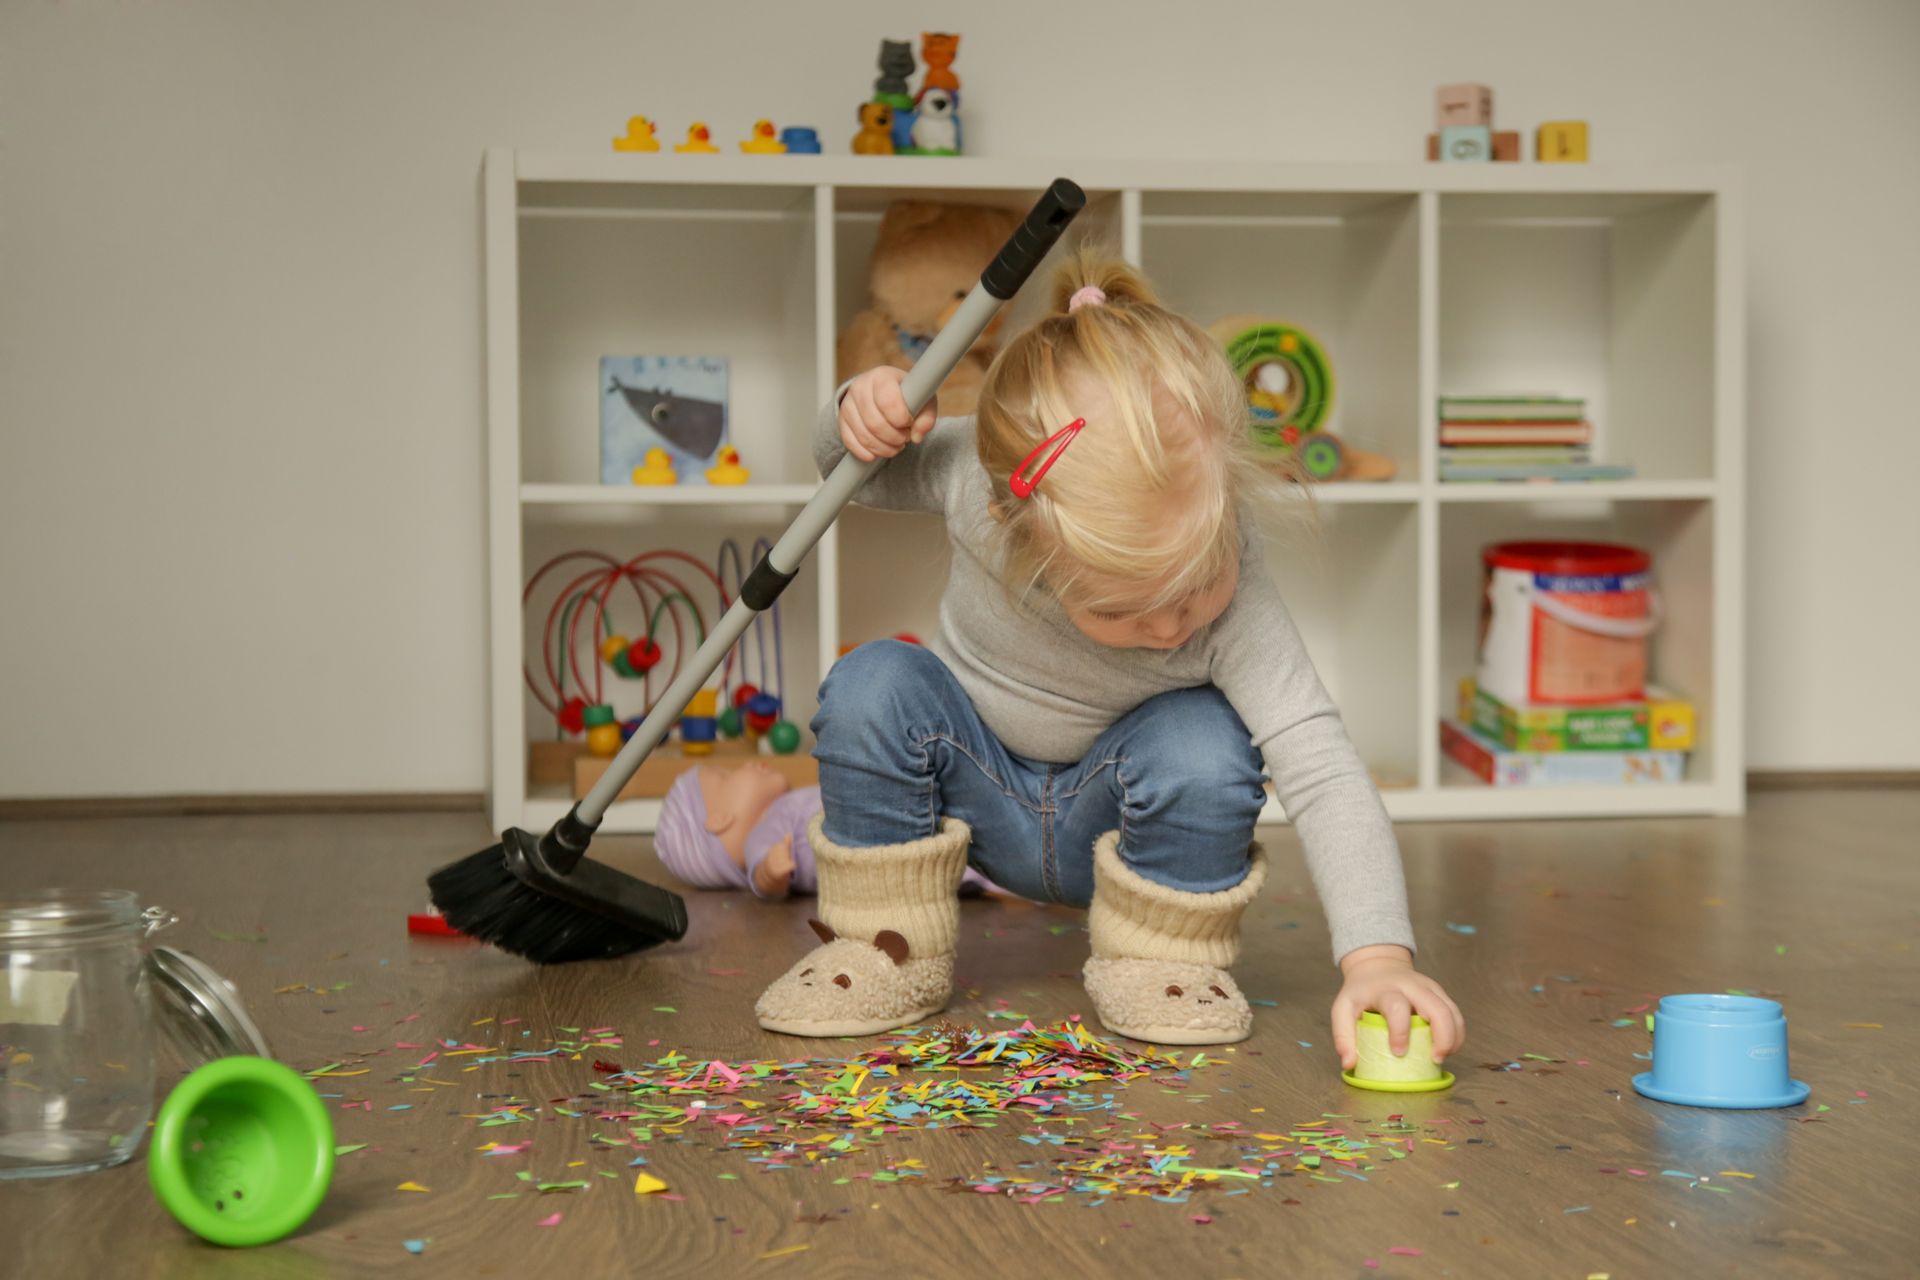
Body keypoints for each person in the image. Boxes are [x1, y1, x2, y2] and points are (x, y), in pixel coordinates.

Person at [755, 249, 1463, 1066]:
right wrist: (858, 409)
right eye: (1123, 607)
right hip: (970, 795)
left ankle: (1163, 965)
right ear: (1010, 525)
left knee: (1206, 734)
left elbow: (1322, 767)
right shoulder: (986, 485)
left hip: (1126, 830)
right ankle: (881, 951)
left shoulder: (1236, 578)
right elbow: (849, 471)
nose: (1173, 628)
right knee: (874, 679)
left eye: (1197, 586)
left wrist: (1379, 959)